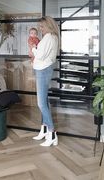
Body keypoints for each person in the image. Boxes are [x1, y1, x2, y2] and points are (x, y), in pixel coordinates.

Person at [31, 16, 59, 147]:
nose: (40, 29)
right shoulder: (51, 37)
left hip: (43, 70)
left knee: (41, 103)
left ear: (48, 25)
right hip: (43, 69)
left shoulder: (49, 37)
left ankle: (52, 133)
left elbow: (40, 55)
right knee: (44, 101)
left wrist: (33, 49)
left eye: (42, 26)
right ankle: (44, 129)